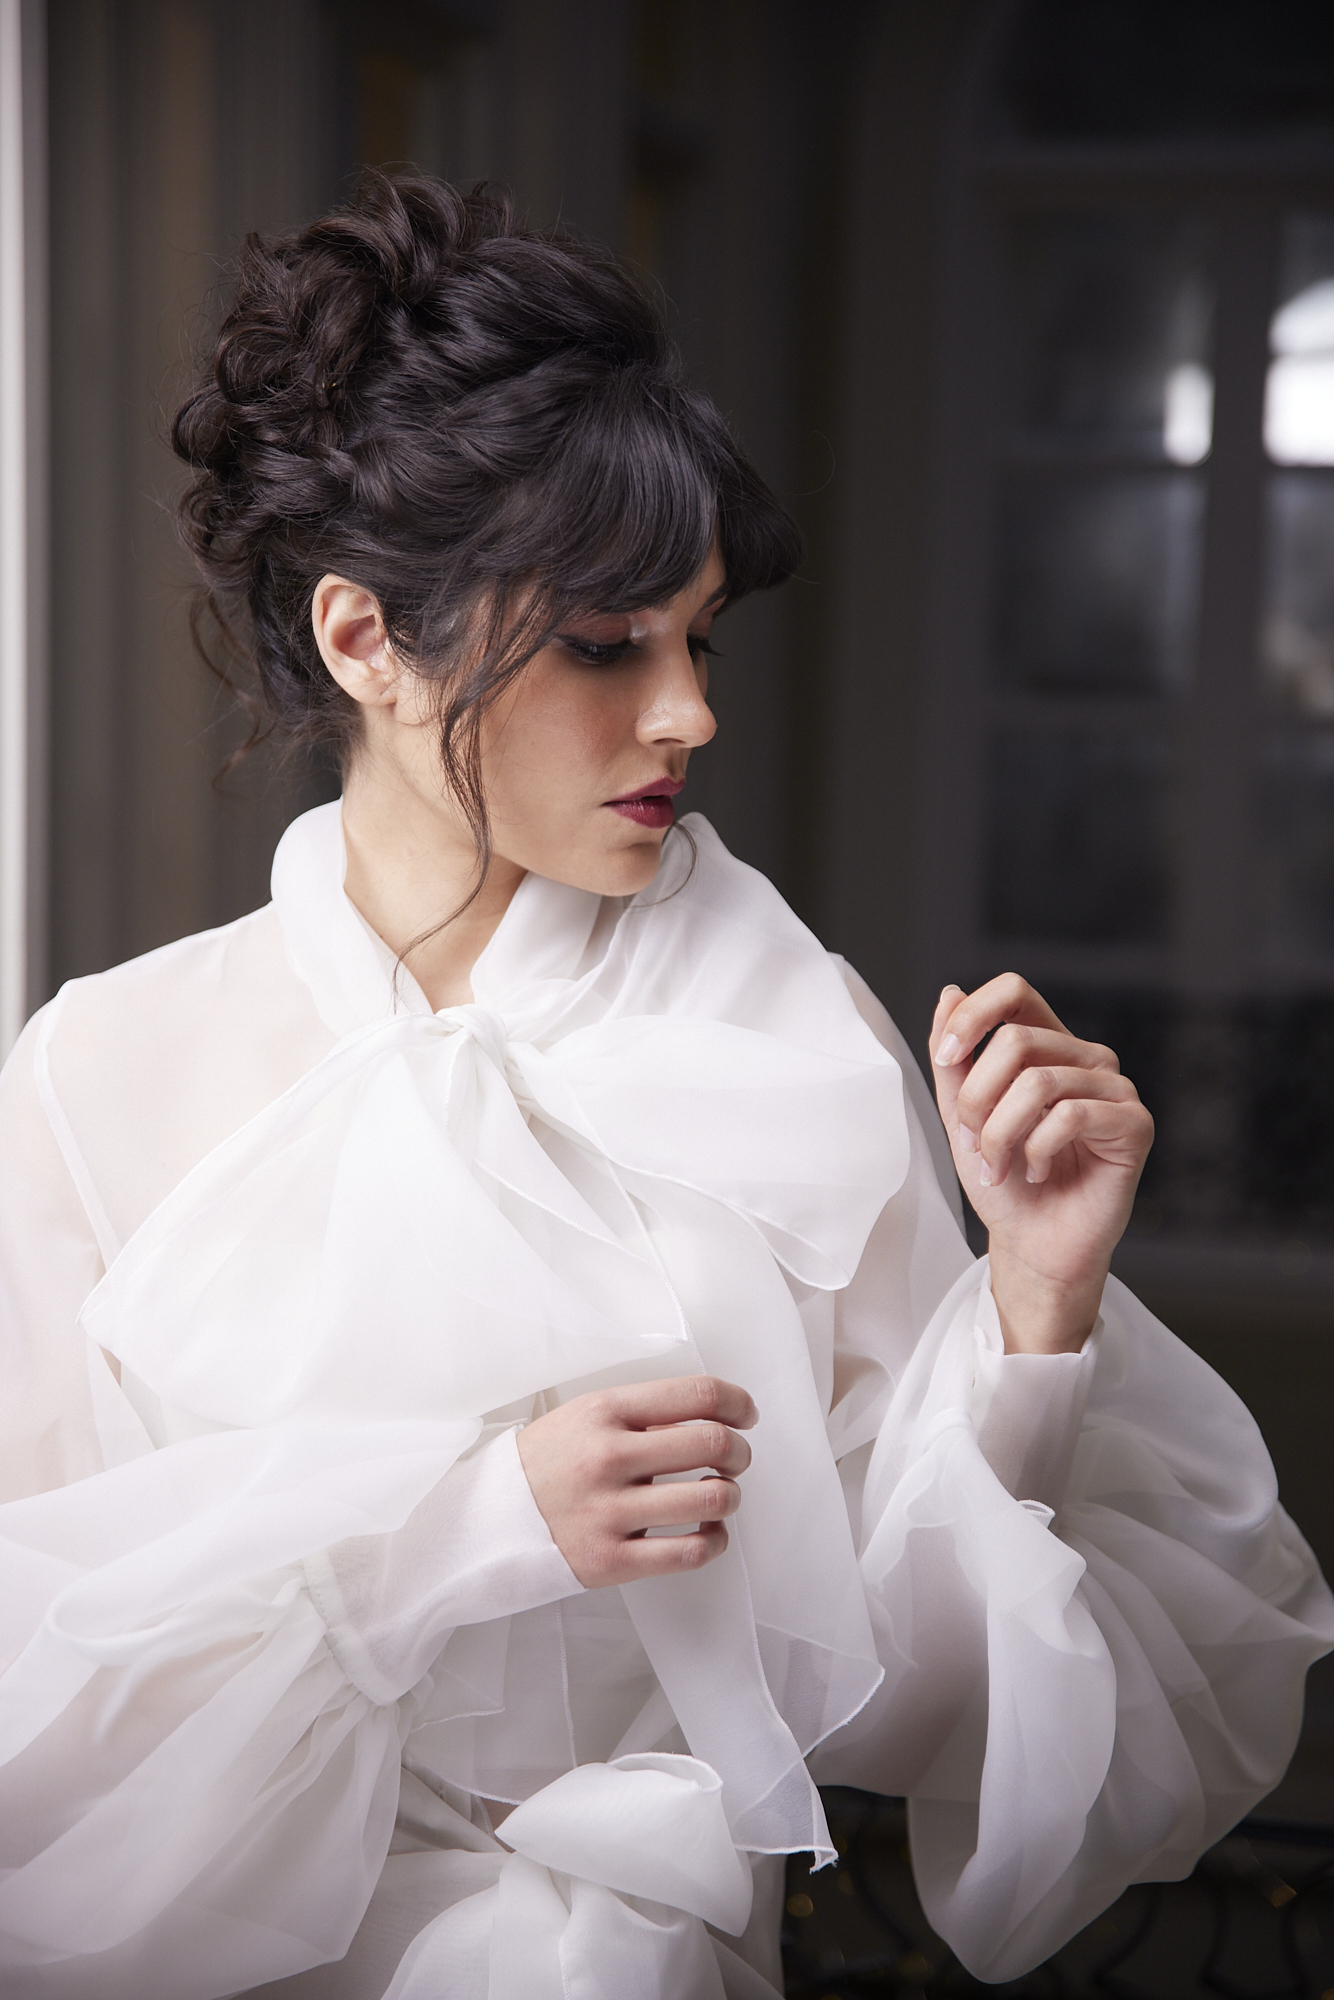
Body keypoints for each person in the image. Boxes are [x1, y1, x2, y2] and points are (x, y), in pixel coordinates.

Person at [0, 174, 1329, 2000]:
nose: (690, 713)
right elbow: (40, 1722)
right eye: (607, 645)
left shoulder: (785, 1029)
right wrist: (456, 1540)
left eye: (701, 638)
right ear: (364, 640)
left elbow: (908, 1709)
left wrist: (1030, 1308)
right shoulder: (102, 1071)